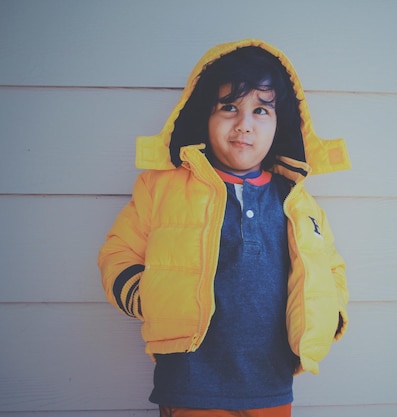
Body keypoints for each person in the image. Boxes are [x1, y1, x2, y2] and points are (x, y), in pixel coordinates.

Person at [98, 39, 351, 417]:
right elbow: (119, 252)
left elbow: (330, 269)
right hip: (190, 382)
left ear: (281, 122)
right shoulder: (163, 188)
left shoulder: (297, 201)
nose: (244, 125)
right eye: (229, 107)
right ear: (205, 115)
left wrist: (328, 318)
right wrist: (146, 297)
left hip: (272, 384)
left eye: (261, 110)